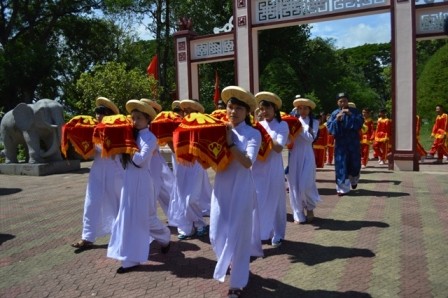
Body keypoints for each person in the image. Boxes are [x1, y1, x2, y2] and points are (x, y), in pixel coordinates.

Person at [210, 86, 262, 298]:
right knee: (215, 233)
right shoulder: (219, 129)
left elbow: (248, 162)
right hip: (221, 186)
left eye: (239, 108)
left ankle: (237, 282)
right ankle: (231, 262)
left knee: (239, 236)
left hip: (241, 188)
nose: (233, 112)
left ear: (247, 112)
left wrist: (230, 143)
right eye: (231, 107)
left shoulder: (253, 133)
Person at [107, 100, 170, 274]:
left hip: (142, 181)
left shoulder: (150, 138)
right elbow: (121, 161)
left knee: (145, 218)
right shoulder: (132, 136)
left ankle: (164, 237)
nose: (135, 121)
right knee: (126, 218)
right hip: (129, 180)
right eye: (133, 118)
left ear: (147, 119)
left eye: (139, 118)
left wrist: (128, 145)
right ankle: (130, 259)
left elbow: (140, 161)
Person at [71, 97, 123, 250]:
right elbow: (89, 151)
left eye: (102, 113)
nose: (98, 116)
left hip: (115, 169)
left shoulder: (118, 129)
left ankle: (123, 232)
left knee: (118, 203)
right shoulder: (93, 130)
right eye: (97, 113)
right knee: (91, 201)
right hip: (98, 169)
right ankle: (87, 237)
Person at [168, 99, 212, 239]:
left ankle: (200, 223)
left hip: (196, 165)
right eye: (185, 110)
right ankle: (188, 227)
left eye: (189, 110)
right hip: (182, 165)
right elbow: (174, 146)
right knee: (181, 197)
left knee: (191, 198)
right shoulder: (179, 126)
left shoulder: (203, 125)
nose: (186, 113)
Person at [252, 91, 289, 247]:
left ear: (275, 109)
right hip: (257, 169)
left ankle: (278, 233)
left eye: (267, 108)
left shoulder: (282, 125)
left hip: (273, 168)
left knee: (276, 201)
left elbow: (279, 147)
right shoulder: (258, 125)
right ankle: (260, 233)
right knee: (258, 201)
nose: (264, 112)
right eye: (261, 109)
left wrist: (263, 132)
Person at [287, 96, 321, 223]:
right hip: (294, 154)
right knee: (294, 184)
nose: (302, 111)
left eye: (305, 108)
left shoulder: (314, 122)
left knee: (306, 183)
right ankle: (298, 212)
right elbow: (288, 139)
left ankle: (310, 206)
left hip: (307, 154)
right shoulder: (292, 122)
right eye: (300, 108)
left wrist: (298, 127)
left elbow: (310, 138)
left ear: (310, 109)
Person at [140, 98, 174, 217]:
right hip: (145, 163)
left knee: (158, 189)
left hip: (154, 161)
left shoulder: (156, 125)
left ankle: (172, 215)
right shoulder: (137, 126)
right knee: (158, 189)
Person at [327, 93, 364, 196]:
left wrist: (351, 115)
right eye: (340, 101)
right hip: (341, 144)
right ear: (337, 103)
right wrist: (336, 120)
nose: (343, 103)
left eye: (344, 101)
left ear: (348, 101)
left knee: (355, 165)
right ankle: (342, 189)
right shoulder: (334, 113)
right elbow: (330, 128)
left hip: (353, 143)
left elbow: (360, 124)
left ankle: (354, 180)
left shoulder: (355, 112)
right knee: (341, 165)